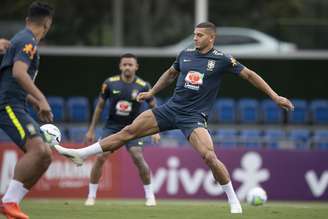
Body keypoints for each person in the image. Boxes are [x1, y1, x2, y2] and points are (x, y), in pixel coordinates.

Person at [55, 22, 294, 214]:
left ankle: (233, 201)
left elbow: (250, 75)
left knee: (209, 156)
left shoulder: (221, 59)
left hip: (193, 117)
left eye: (200, 35)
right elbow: (169, 74)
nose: (195, 38)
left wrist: (274, 96)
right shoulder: (185, 54)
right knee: (127, 132)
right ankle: (80, 154)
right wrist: (152, 93)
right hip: (169, 110)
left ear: (211, 38)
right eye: (194, 34)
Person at [0, 2, 54, 219]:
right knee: (38, 151)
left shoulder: (20, 39)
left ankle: (10, 203)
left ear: (27, 20)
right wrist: (42, 99)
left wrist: (33, 101)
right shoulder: (28, 41)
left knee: (46, 156)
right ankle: (9, 202)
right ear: (48, 23)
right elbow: (18, 73)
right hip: (8, 105)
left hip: (17, 103)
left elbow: (9, 78)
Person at [84, 53, 160, 207]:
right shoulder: (109, 83)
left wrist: (156, 130)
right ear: (120, 66)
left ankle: (150, 196)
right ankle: (91, 196)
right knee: (100, 157)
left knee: (137, 157)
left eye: (130, 64)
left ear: (136, 67)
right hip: (112, 127)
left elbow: (154, 106)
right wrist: (91, 130)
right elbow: (99, 106)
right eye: (124, 64)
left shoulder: (143, 85)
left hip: (134, 127)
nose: (127, 67)